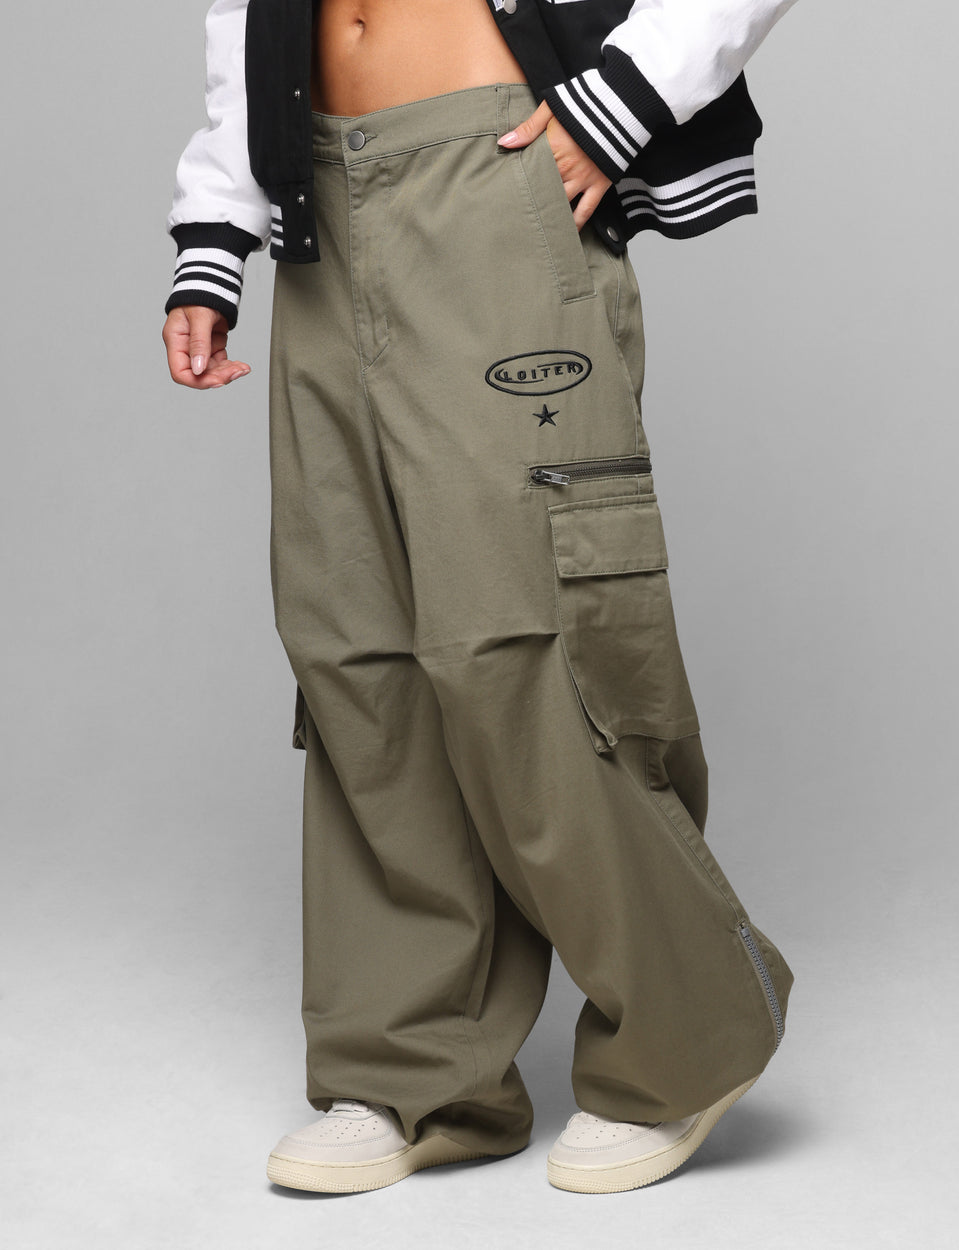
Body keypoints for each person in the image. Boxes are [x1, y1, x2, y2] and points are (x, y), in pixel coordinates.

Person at [162, 0, 797, 1196]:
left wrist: (622, 103)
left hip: (495, 166)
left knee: (525, 634)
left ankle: (690, 1029)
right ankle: (413, 1066)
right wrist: (219, 219)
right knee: (357, 651)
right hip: (319, 199)